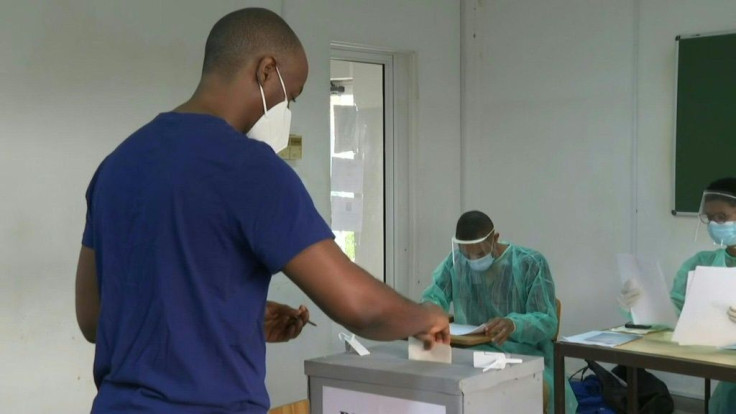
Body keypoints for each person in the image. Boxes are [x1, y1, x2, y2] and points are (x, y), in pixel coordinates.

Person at [74, 8, 450, 413]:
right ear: (266, 70)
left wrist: (237, 318)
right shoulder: (251, 169)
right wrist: (425, 315)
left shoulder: (117, 166)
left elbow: (94, 319)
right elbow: (359, 308)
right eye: (292, 95)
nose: (287, 109)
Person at [421, 210, 578, 414]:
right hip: (472, 355)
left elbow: (547, 321)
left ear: (495, 238)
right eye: (466, 254)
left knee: (517, 393)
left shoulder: (529, 263)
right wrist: (428, 315)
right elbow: (435, 296)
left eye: (479, 254)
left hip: (523, 356)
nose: (472, 261)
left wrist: (514, 325)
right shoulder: (456, 262)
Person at [619, 177, 736, 414]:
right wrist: (641, 303)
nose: (715, 224)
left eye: (722, 218)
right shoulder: (701, 264)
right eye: (710, 218)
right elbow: (675, 313)